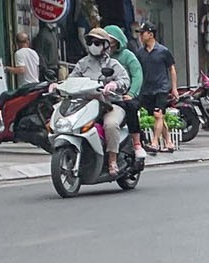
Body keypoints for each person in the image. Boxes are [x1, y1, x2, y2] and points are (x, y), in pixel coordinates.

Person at [64, 27, 130, 175]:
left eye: (97, 42)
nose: (93, 45)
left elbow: (125, 80)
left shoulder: (112, 64)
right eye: (91, 42)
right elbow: (71, 80)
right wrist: (58, 86)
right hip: (86, 105)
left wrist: (114, 84)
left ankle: (112, 160)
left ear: (106, 45)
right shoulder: (82, 64)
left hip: (110, 105)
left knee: (111, 124)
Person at [101, 24, 143, 161]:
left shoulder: (127, 56)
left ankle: (137, 143)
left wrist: (131, 93)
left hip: (124, 94)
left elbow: (137, 75)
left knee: (130, 106)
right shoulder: (100, 57)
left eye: (112, 41)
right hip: (103, 96)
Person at [135, 20, 177, 153]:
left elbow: (172, 69)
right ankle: (169, 142)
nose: (141, 36)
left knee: (158, 115)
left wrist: (174, 88)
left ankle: (154, 143)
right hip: (147, 89)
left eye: (143, 33)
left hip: (161, 88)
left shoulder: (163, 51)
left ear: (151, 34)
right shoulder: (140, 52)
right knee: (158, 116)